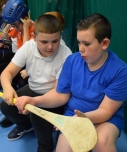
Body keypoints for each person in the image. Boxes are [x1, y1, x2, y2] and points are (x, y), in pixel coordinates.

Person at [15, 13, 127, 152]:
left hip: (105, 120)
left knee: (102, 143)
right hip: (72, 117)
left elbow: (106, 111)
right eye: (79, 42)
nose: (81, 48)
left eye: (86, 44)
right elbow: (61, 95)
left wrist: (83, 118)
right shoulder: (72, 61)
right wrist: (35, 100)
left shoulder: (119, 71)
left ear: (104, 43)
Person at [0, 14, 72, 152]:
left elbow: (58, 92)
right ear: (34, 37)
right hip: (33, 88)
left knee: (37, 115)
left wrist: (34, 102)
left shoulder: (66, 54)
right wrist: (8, 88)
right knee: (6, 107)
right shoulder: (28, 47)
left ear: (60, 36)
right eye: (44, 42)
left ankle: (45, 146)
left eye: (55, 41)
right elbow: (6, 73)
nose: (50, 47)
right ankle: (26, 125)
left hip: (52, 95)